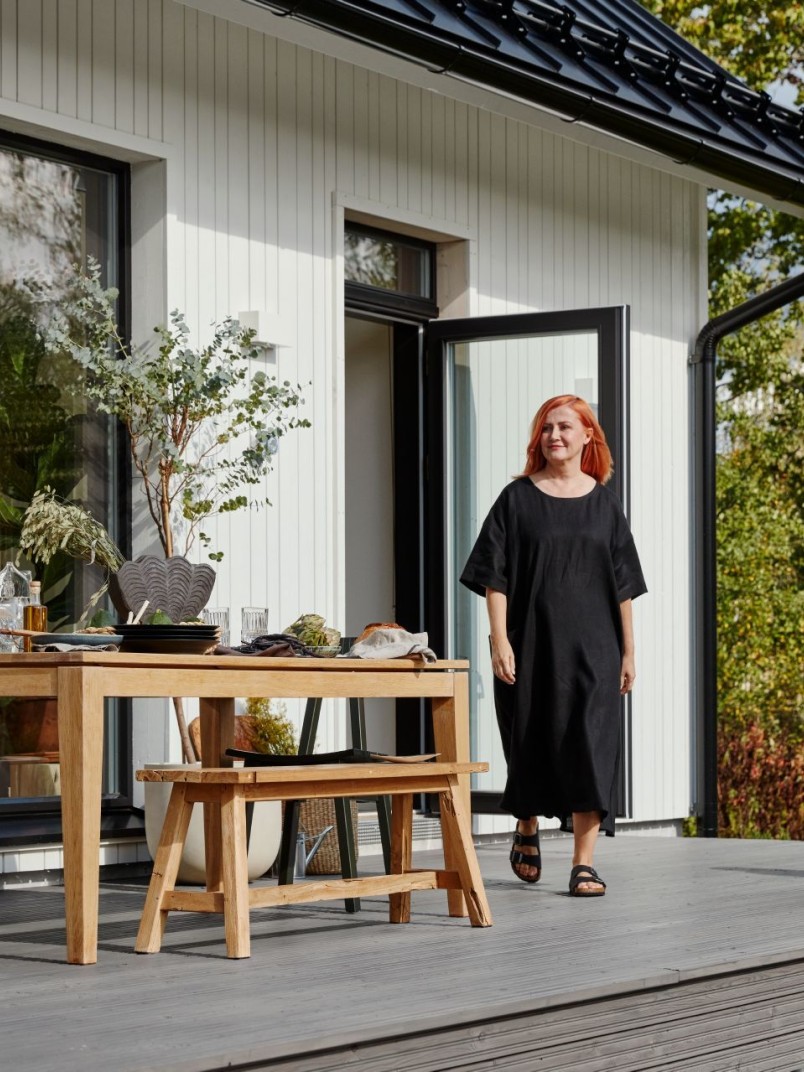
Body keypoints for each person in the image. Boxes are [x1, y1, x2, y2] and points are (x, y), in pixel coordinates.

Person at [460, 395, 647, 896]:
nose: (554, 436)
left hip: (596, 650)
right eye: (546, 428)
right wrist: (499, 639)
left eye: (565, 427)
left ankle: (583, 862)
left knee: (592, 745)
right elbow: (493, 577)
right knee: (530, 742)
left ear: (588, 435)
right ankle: (526, 824)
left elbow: (623, 585)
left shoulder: (605, 504)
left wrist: (629, 652)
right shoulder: (516, 499)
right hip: (531, 646)